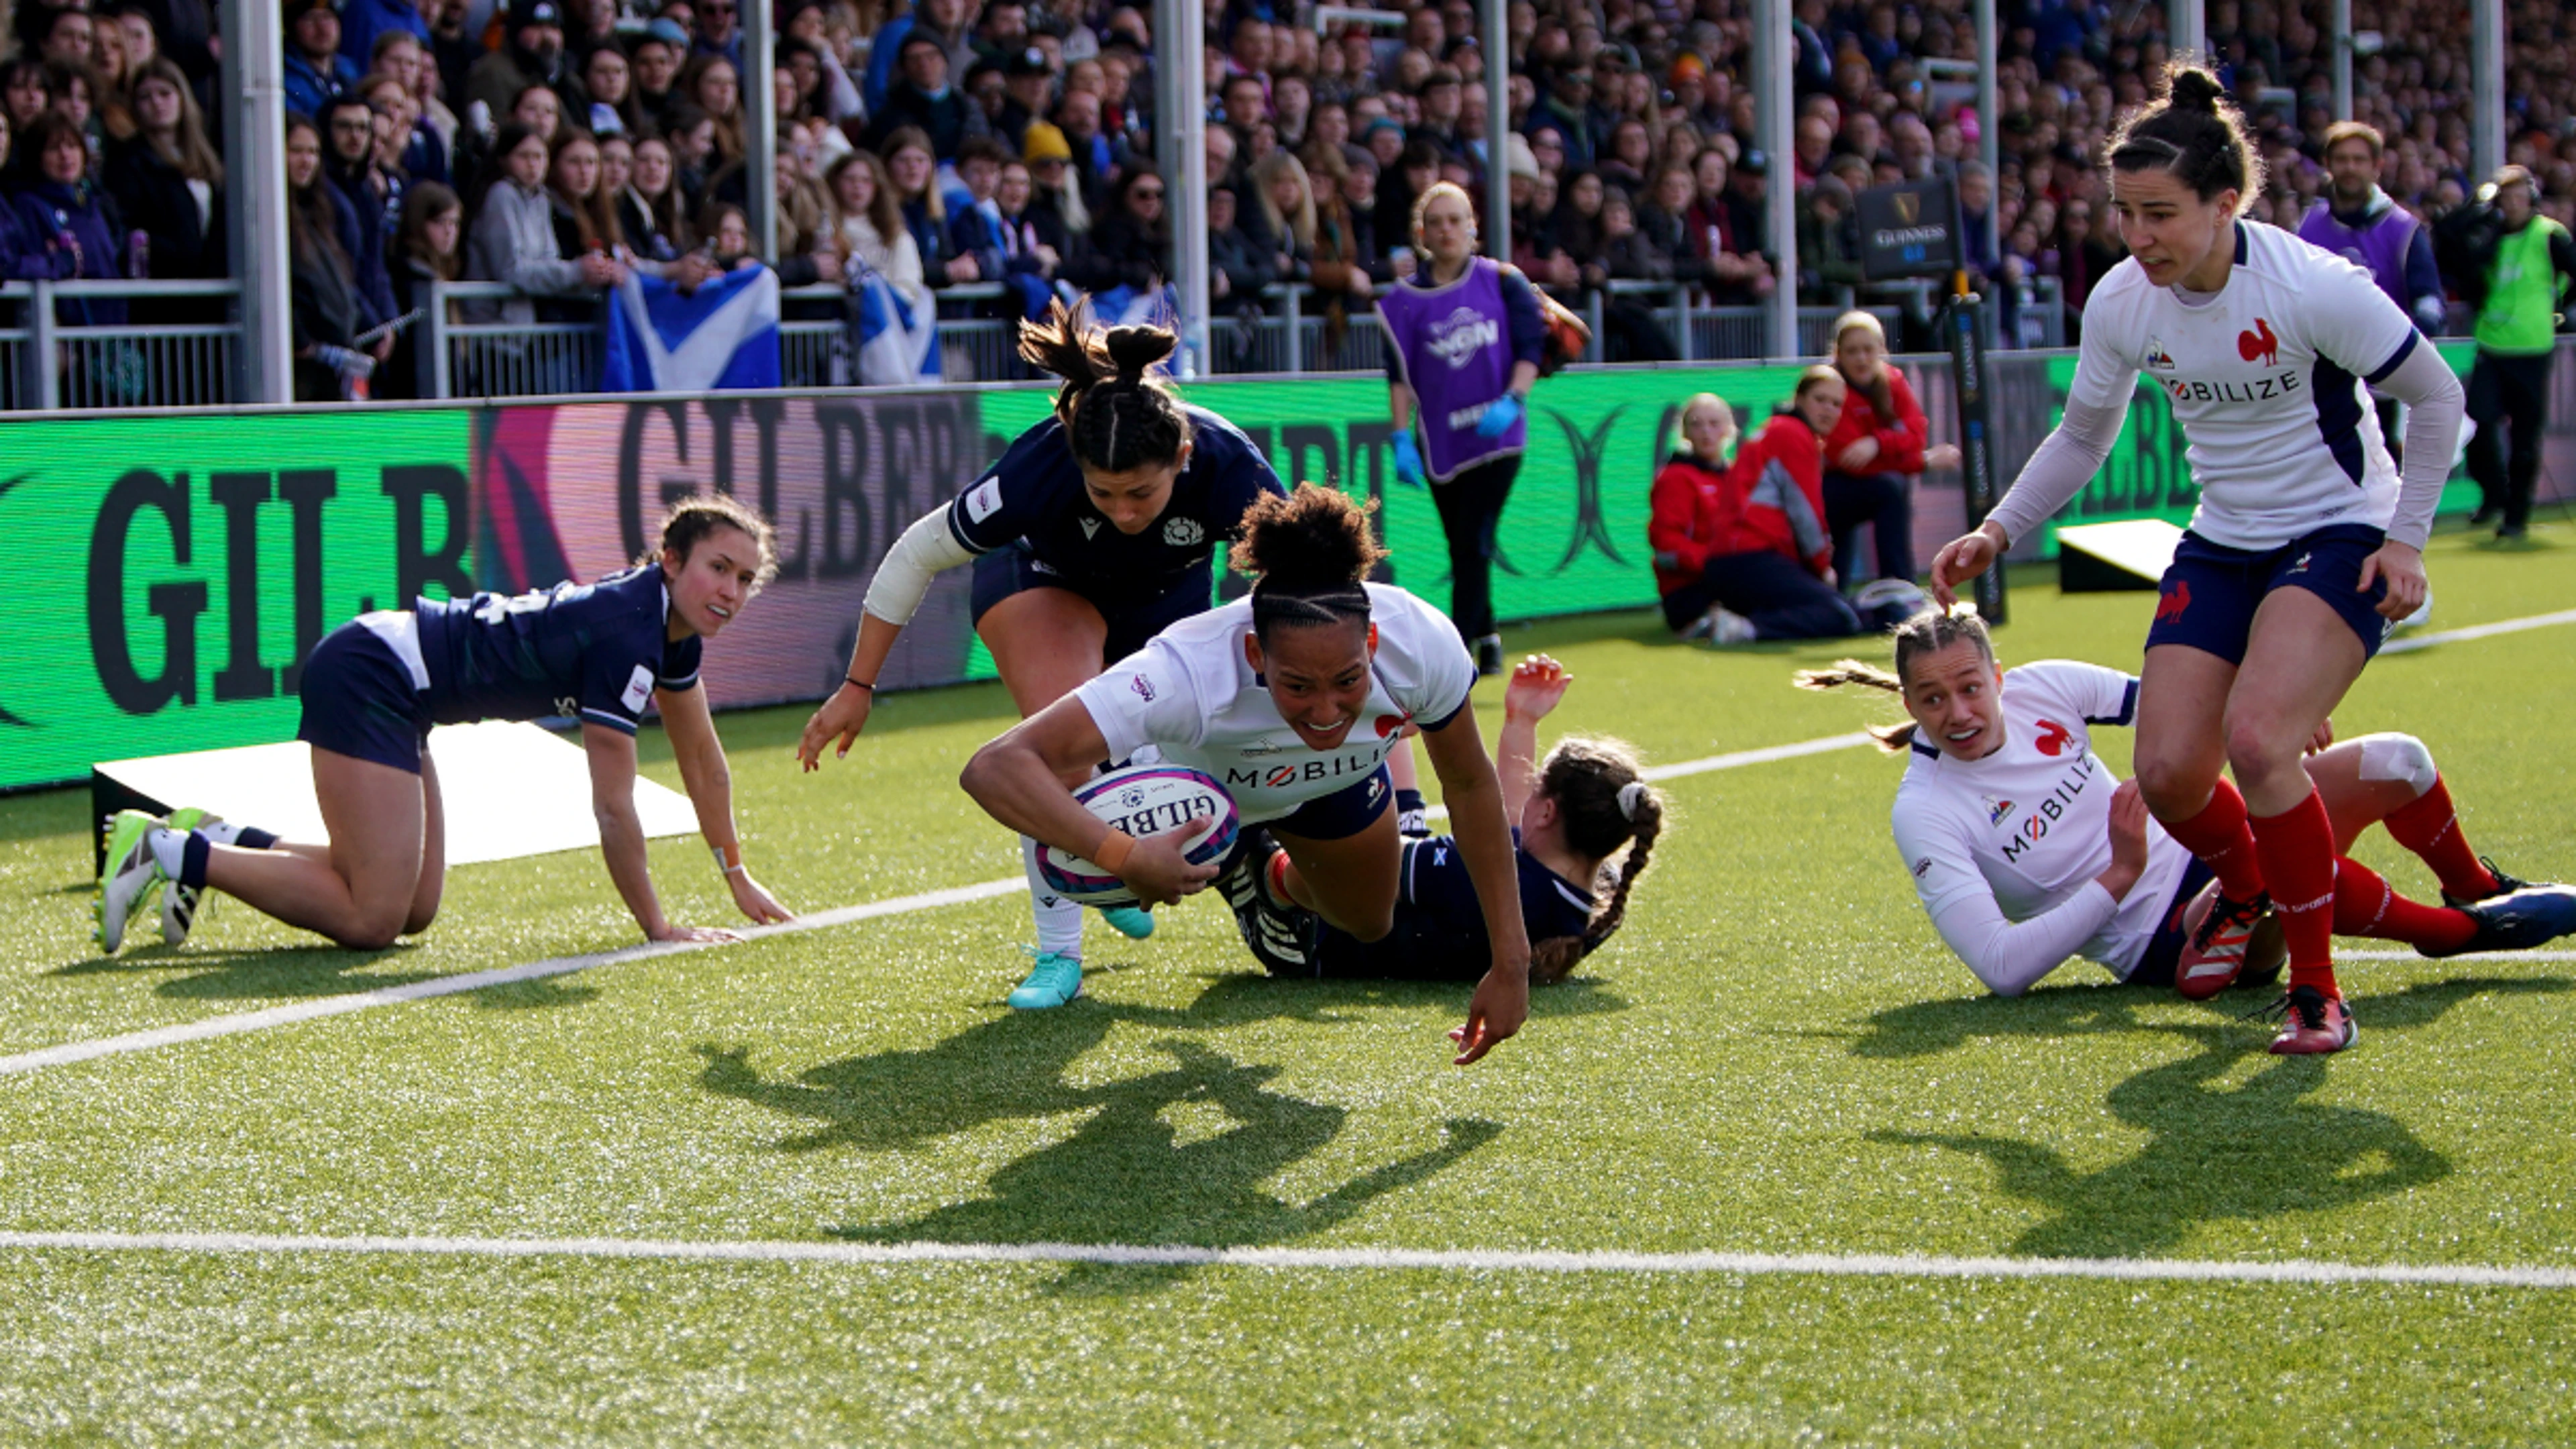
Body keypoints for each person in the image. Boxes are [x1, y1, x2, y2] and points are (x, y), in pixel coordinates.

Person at [1927, 64, 2471, 1055]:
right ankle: (2250, 885)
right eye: (2125, 215)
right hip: (2224, 537)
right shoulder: (2123, 300)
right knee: (2172, 775)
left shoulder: (2312, 284)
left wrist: (2407, 540)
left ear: (2230, 202)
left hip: (2341, 529)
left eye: (2161, 216)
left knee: (2261, 744)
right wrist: (1999, 528)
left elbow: (2438, 399)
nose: (2138, 239)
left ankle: (2316, 992)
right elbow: (2083, 436)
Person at [795, 305, 1287, 1010]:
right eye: (1103, 492)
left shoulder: (1230, 466)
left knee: (1172, 746)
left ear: (1182, 459)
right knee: (1057, 753)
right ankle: (1058, 955)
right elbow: (915, 554)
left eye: (1142, 493)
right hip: (1042, 584)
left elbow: (1300, 579)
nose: (1122, 511)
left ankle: (1102, 859)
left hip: (1166, 598)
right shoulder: (1039, 467)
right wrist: (857, 683)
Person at [958, 484, 1532, 1064]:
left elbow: (1468, 783)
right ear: (1257, 654)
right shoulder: (1186, 670)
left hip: (1328, 784)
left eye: (1349, 681)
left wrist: (1511, 964)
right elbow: (996, 767)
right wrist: (1123, 856)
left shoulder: (1422, 641)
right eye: (1298, 686)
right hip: (1195, 801)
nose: (1328, 712)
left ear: (1373, 642)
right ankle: (1227, 849)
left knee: (1368, 920)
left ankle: (1262, 877)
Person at [96, 498, 795, 955]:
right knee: (372, 919)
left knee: (412, 910)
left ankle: (221, 839)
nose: (730, 592)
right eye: (718, 569)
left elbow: (704, 763)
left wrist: (737, 874)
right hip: (374, 671)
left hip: (409, 695)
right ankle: (165, 850)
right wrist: (658, 928)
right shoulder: (627, 630)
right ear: (672, 561)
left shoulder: (669, 631)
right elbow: (614, 803)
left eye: (744, 579)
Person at [1796, 609, 2576, 998]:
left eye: (1971, 689)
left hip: (2213, 842)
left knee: (2400, 761)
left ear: (1999, 680)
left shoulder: (2044, 688)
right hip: (2167, 942)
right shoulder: (1924, 809)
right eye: (1933, 699)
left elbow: (2181, 700)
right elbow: (2001, 968)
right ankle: (2454, 935)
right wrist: (2121, 873)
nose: (1959, 713)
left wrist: (2270, 716)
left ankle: (2474, 887)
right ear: (1908, 700)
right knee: (2281, 862)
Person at [1235, 653, 1662, 989]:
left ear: (1548, 811)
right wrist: (1521, 720)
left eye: (1536, 788)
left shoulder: (1476, 875)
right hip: (1395, 903)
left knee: (1337, 760)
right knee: (1387, 734)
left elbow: (1371, 862)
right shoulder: (1596, 896)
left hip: (1311, 936)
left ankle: (1263, 871)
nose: (1527, 791)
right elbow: (1511, 827)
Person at [1378, 182, 1548, 676]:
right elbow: (1399, 374)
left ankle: (1453, 657)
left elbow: (1531, 348)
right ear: (1422, 233)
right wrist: (1400, 435)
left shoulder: (1503, 280)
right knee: (1462, 543)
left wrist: (1515, 398)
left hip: (1498, 435)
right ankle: (1489, 638)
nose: (1447, 230)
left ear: (1473, 226)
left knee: (1474, 540)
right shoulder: (1403, 301)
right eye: (1437, 222)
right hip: (1440, 440)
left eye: (1456, 220)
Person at [1652, 380, 1867, 643]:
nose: (1706, 432)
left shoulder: (1734, 475)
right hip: (1692, 590)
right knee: (1832, 612)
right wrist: (1709, 562)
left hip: (1723, 577)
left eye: (1714, 423)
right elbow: (1666, 547)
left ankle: (1738, 625)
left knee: (1818, 605)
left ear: (1729, 430)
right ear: (1684, 433)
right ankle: (1736, 627)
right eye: (1696, 424)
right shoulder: (1676, 478)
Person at [2296, 121, 2447, 461]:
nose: (2350, 168)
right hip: (2321, 379)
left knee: (2385, 477)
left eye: (2359, 160)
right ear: (2328, 164)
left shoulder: (2403, 229)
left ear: (2377, 167)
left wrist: (2411, 349)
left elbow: (2429, 301)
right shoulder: (2308, 226)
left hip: (2384, 384)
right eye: (2342, 159)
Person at [2459, 165, 2576, 538]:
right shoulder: (2490, 236)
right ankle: (2496, 493)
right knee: (2476, 421)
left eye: (2518, 197)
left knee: (2525, 437)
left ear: (2532, 200)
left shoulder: (2549, 235)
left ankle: (2516, 514)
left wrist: (2559, 308)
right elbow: (2464, 263)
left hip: (2531, 346)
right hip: (2492, 342)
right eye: (2504, 198)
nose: (2511, 205)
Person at [1821, 311, 1961, 589]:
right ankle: (1896, 584)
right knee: (1890, 488)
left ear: (1881, 350)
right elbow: (1848, 458)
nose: (1861, 358)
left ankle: (1898, 586)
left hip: (1870, 483)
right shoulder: (1830, 389)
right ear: (1838, 354)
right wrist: (1924, 462)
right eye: (1852, 351)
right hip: (1826, 486)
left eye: (1868, 350)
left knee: (1893, 487)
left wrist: (1877, 443)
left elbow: (1915, 433)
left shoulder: (1893, 382)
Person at [384, 179, 460, 399]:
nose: (449, 232)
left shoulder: (443, 270)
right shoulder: (410, 276)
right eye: (439, 222)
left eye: (454, 223)